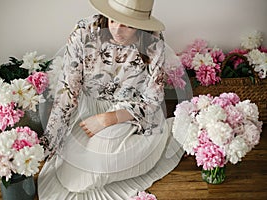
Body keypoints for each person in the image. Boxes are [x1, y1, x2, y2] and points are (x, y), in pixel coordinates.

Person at [38, 0, 188, 199]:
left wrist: (108, 119)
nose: (117, 30)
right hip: (88, 110)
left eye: (127, 25)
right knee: (70, 173)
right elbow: (67, 93)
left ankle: (170, 131)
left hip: (130, 113)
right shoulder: (84, 32)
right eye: (113, 20)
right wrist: (48, 144)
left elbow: (152, 101)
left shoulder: (153, 41)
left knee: (105, 154)